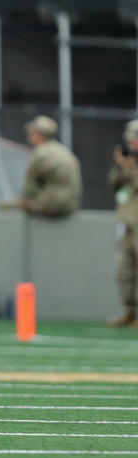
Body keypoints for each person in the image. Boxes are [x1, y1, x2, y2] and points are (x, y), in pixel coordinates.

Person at [14, 116, 82, 217]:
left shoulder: (40, 153)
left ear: (39, 135)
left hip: (53, 205)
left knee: (9, 205)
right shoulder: (64, 151)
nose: (30, 137)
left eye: (32, 133)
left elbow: (29, 189)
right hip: (71, 206)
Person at [108, 119, 138, 327]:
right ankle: (129, 311)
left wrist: (129, 169)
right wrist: (121, 167)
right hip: (128, 223)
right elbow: (113, 184)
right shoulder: (128, 160)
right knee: (124, 271)